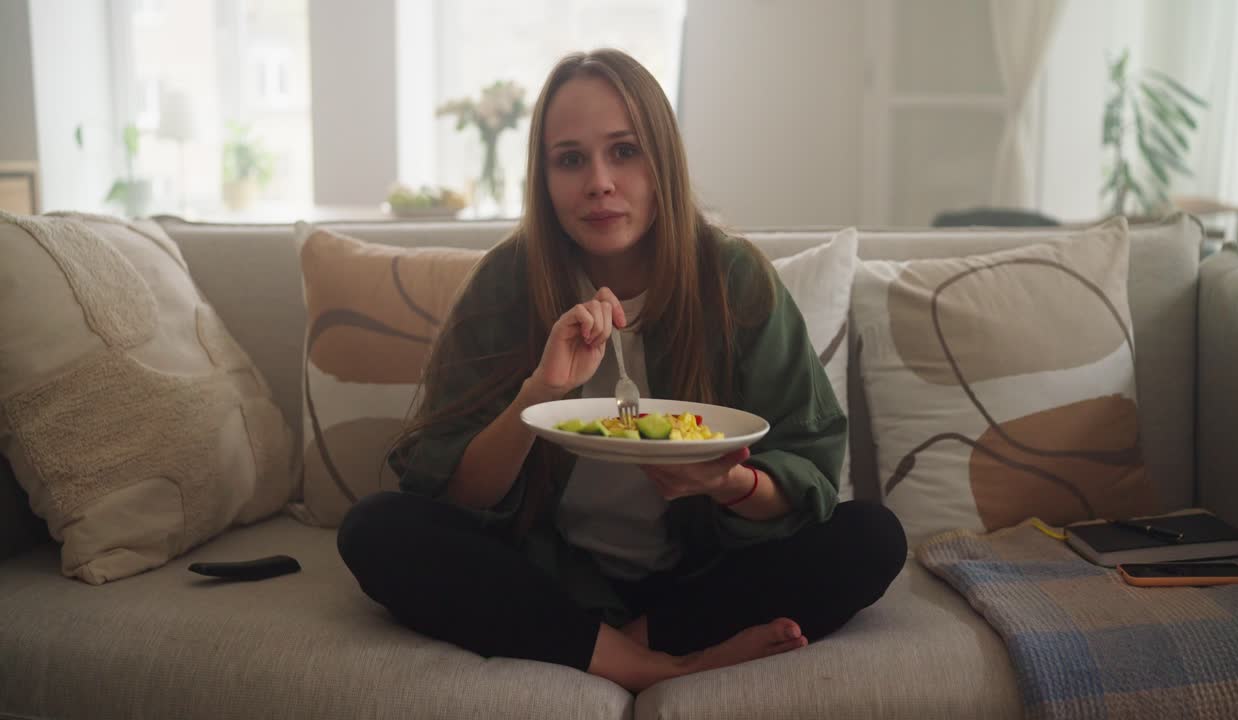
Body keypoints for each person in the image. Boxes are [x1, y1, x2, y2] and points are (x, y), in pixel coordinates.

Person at [338, 48, 907, 693]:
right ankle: (661, 663)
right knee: (377, 528)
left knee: (872, 538)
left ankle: (610, 648)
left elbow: (808, 476)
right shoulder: (505, 283)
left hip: (699, 574)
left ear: (662, 160)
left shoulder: (735, 281)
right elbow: (452, 495)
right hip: (546, 573)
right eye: (571, 159)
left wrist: (728, 484)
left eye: (624, 151)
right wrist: (542, 392)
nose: (599, 182)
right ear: (544, 177)